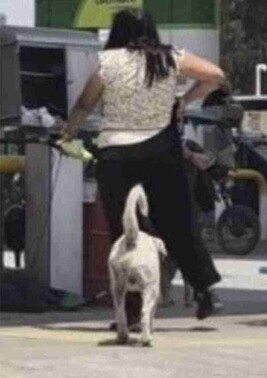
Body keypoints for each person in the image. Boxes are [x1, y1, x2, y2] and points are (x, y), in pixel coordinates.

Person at [58, 9, 226, 324]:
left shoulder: (108, 62)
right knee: (178, 223)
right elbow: (215, 76)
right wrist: (184, 101)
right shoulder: (170, 58)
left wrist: (67, 132)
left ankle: (133, 312)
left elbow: (85, 103)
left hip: (117, 155)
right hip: (163, 152)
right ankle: (204, 289)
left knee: (126, 232)